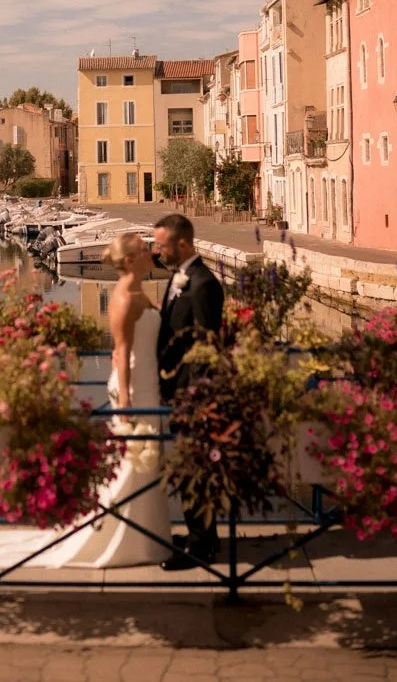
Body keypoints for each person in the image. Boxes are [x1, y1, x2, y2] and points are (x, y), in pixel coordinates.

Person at [0, 230, 171, 570]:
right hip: (135, 385)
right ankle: (130, 538)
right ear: (130, 260)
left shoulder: (138, 292)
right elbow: (121, 351)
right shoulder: (123, 299)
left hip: (146, 378)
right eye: (143, 249)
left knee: (143, 460)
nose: (150, 252)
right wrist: (128, 399)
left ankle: (145, 535)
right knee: (135, 460)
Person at [153, 213, 224, 571]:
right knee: (186, 469)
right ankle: (201, 534)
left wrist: (194, 398)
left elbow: (206, 347)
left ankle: (202, 546)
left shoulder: (202, 284)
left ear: (181, 244)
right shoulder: (182, 278)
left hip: (193, 396)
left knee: (193, 469)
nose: (156, 251)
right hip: (179, 392)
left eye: (161, 245)